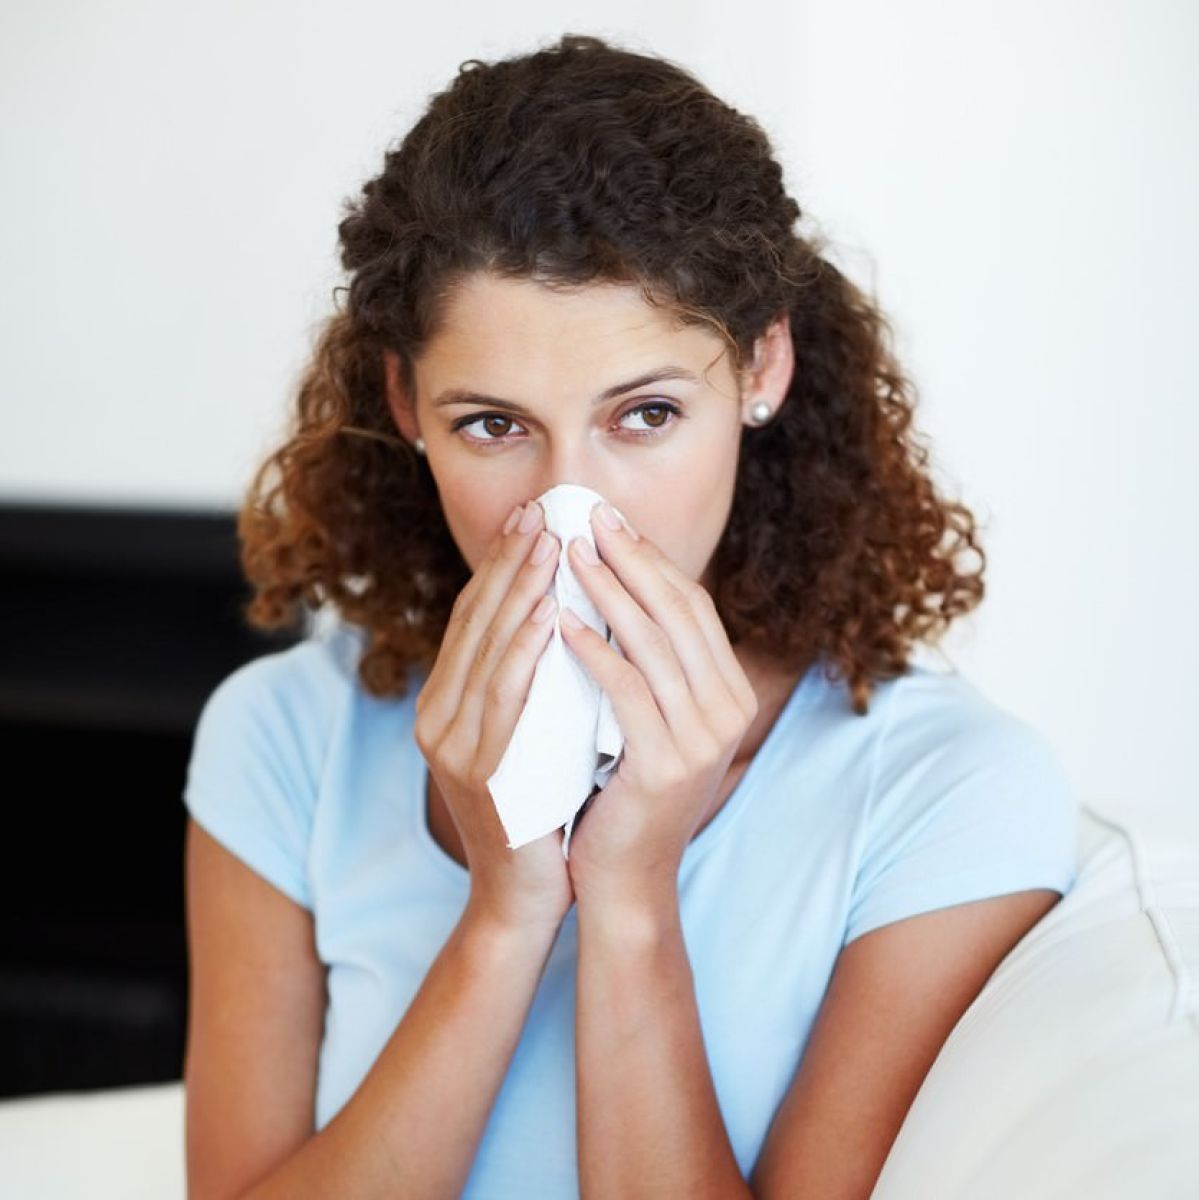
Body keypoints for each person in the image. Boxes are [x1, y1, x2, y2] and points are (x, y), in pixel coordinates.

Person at [181, 32, 1078, 1199]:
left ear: (759, 368)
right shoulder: (285, 736)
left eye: (644, 415)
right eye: (492, 425)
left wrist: (630, 901)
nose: (569, 511)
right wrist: (505, 917)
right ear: (404, 403)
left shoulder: (946, 794)